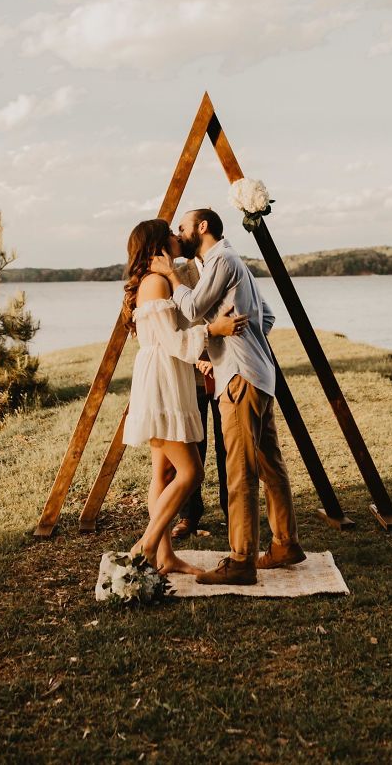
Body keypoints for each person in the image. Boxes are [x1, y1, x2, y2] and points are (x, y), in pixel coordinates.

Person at [151, 208, 306, 586]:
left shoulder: (221, 260)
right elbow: (266, 317)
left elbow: (192, 308)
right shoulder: (233, 262)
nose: (179, 234)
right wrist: (237, 343)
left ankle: (240, 561)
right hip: (258, 374)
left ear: (202, 227)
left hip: (238, 378)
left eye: (183, 228)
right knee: (269, 464)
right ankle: (284, 544)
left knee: (240, 472)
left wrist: (171, 275)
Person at [121, 218, 248, 576]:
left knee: (162, 472)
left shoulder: (159, 279)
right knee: (190, 472)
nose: (178, 237)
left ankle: (166, 556)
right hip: (162, 380)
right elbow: (175, 343)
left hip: (166, 374)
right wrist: (213, 330)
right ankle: (146, 546)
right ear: (159, 244)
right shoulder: (156, 282)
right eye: (171, 234)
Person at [171, 258, 229, 539]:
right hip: (190, 373)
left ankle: (234, 512)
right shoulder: (178, 273)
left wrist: (218, 358)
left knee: (229, 445)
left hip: (226, 369)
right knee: (193, 444)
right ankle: (189, 515)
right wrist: (198, 355)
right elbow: (173, 326)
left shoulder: (226, 266)